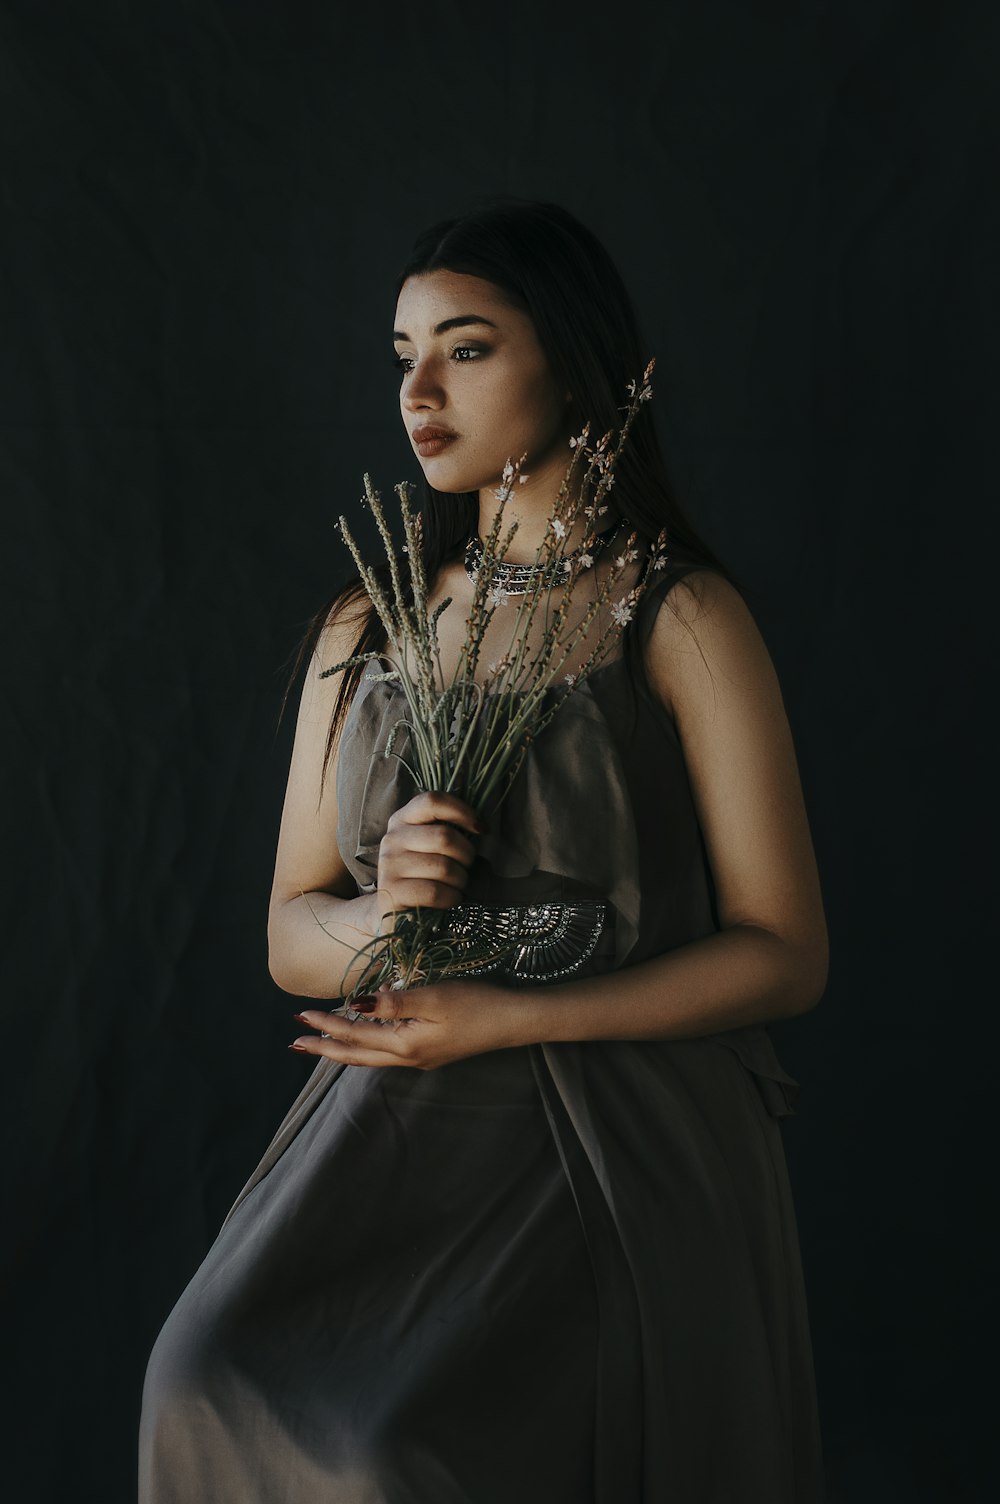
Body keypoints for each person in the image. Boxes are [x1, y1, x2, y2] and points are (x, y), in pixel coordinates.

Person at [139, 197, 828, 1503]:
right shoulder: (368, 624)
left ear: (568, 361)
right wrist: (385, 913)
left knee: (400, 1455)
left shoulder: (677, 615)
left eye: (464, 348)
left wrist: (508, 1020)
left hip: (618, 1138)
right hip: (391, 1121)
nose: (417, 389)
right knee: (203, 1377)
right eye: (400, 354)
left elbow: (788, 955)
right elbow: (293, 939)